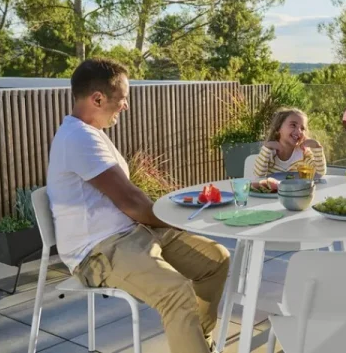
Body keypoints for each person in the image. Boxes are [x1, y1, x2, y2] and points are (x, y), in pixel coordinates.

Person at [47, 58, 229, 353]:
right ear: (97, 98)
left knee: (215, 259)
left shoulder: (93, 135)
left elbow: (132, 200)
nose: (125, 106)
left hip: (134, 233)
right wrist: (182, 220)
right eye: (123, 99)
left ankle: (197, 343)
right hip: (98, 250)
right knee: (176, 293)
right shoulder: (77, 138)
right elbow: (131, 201)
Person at [253, 107, 327, 177]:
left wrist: (317, 147)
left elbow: (320, 173)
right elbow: (259, 175)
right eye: (293, 125)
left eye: (302, 128)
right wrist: (267, 148)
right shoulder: (269, 152)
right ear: (278, 128)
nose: (299, 131)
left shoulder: (303, 153)